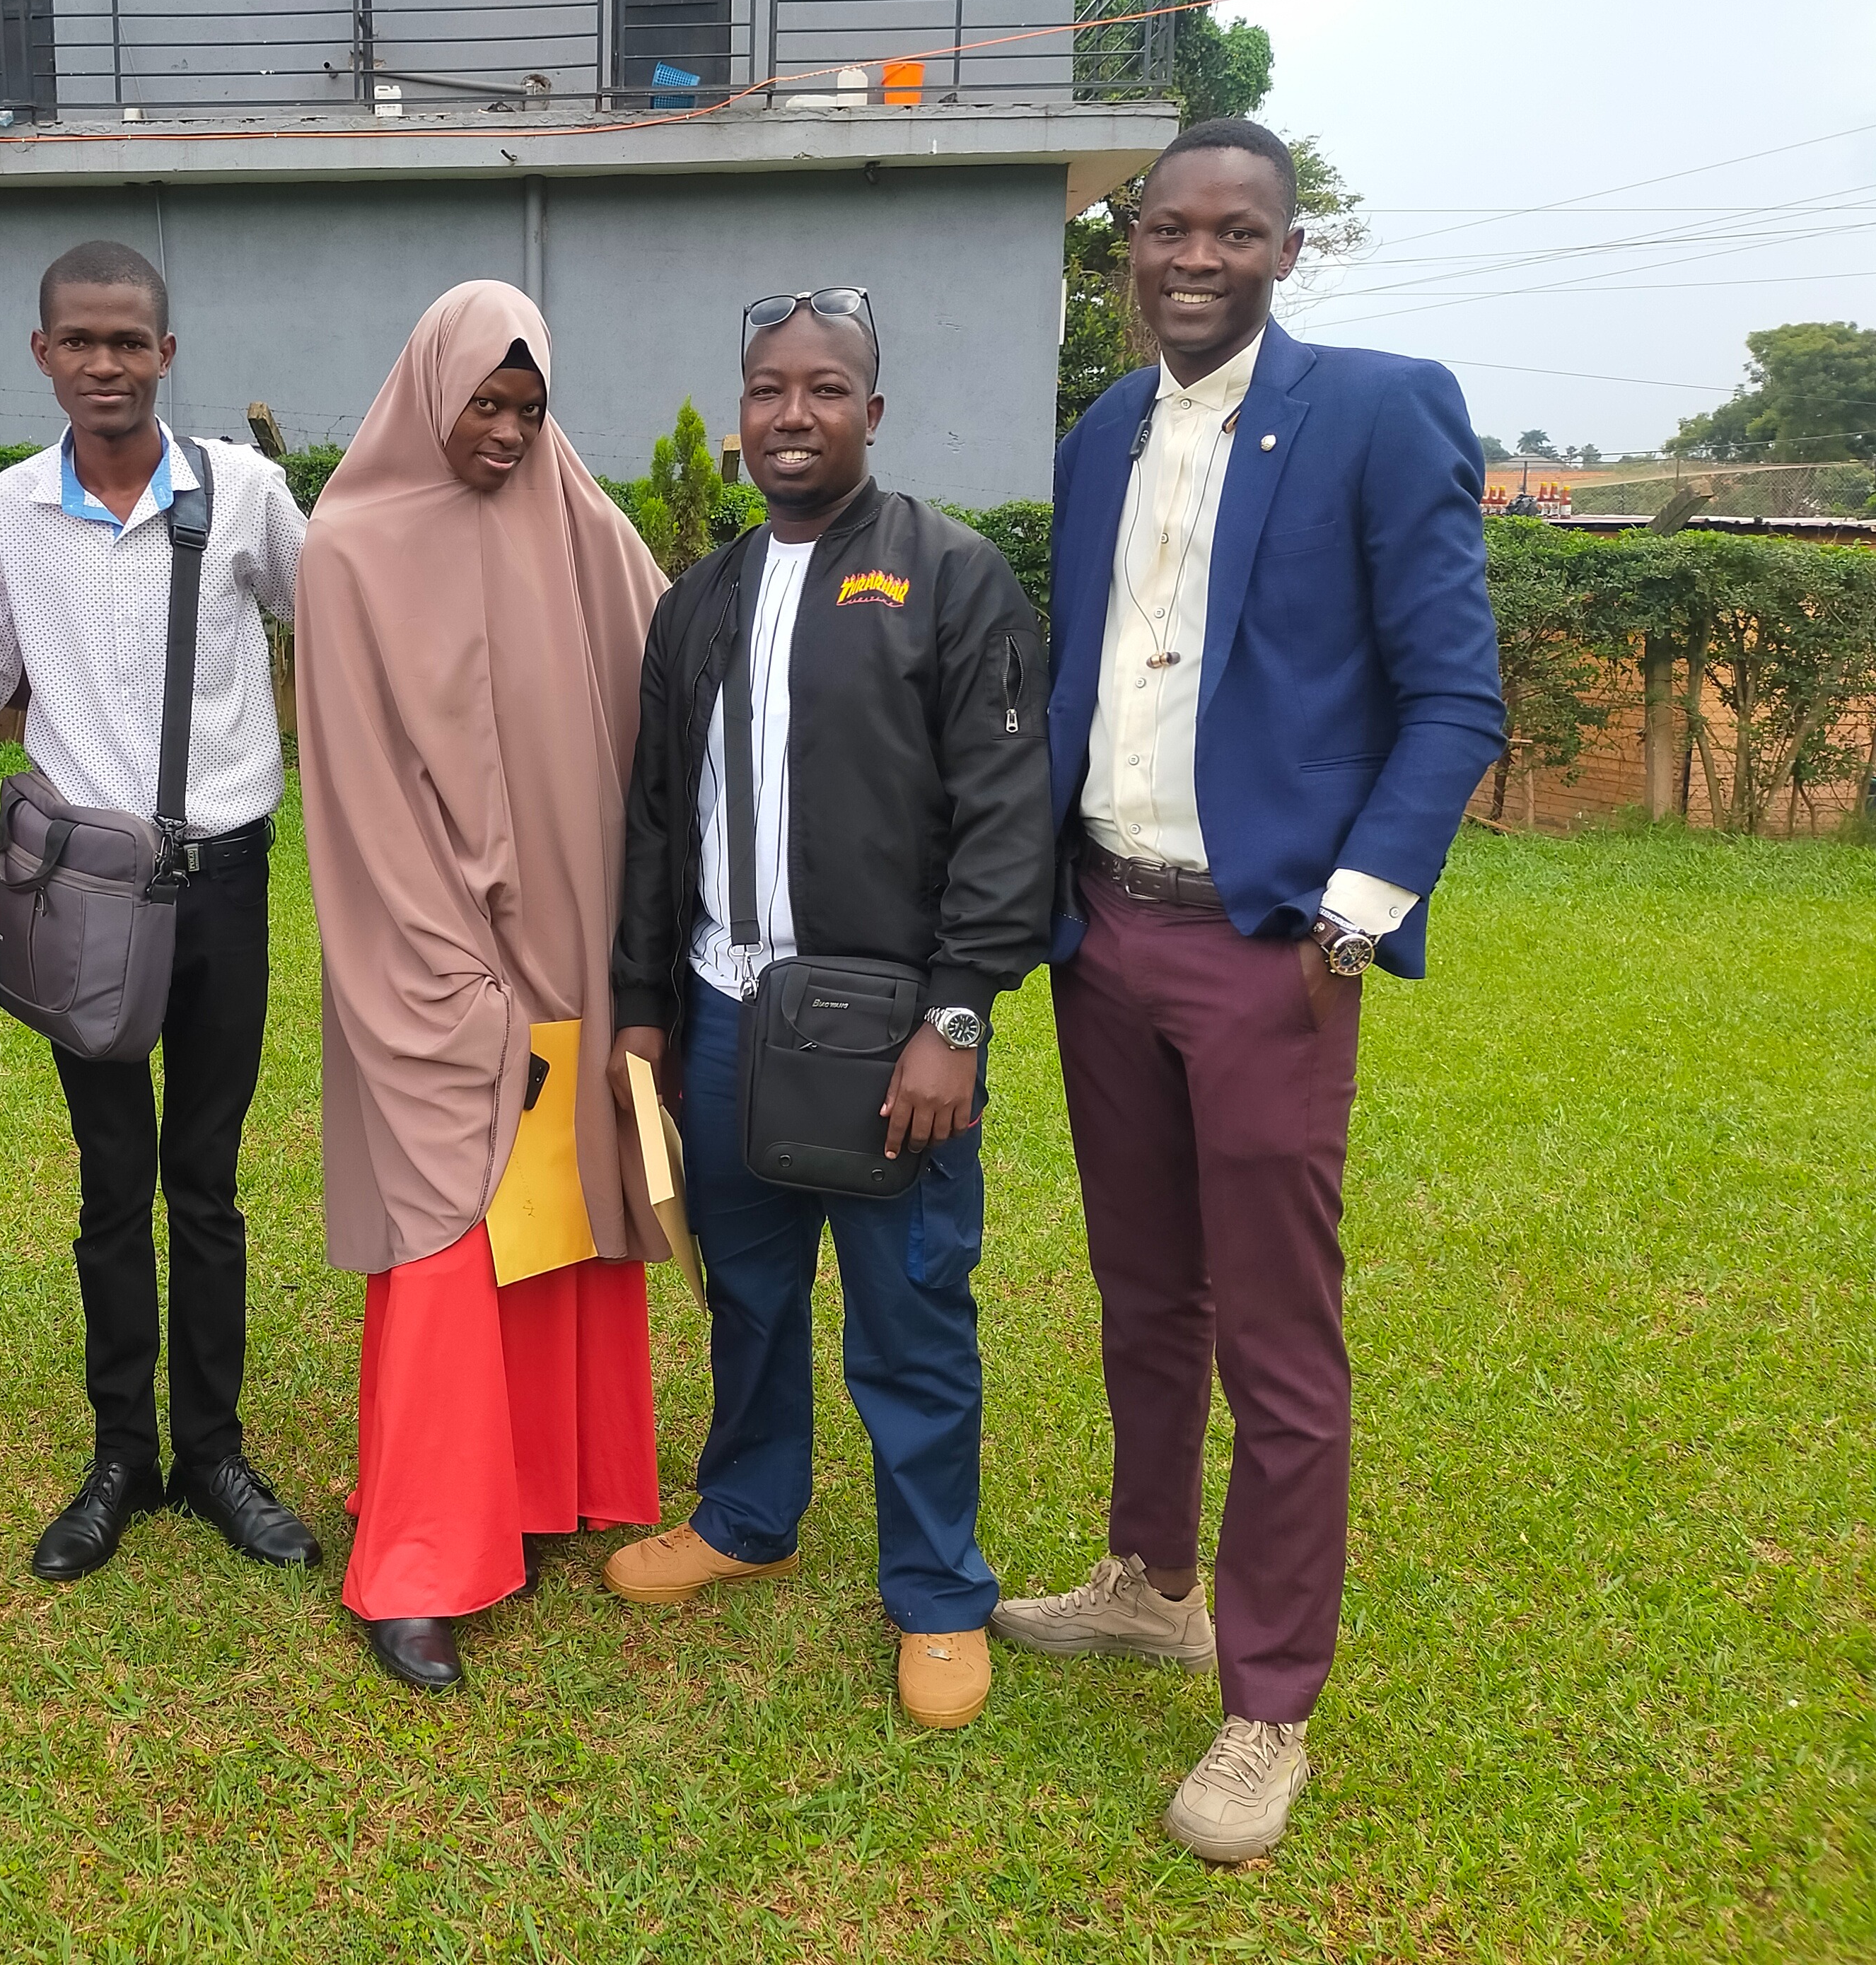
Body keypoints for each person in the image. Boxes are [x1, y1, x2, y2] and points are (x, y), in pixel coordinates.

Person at [989, 118, 1503, 1861]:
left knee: (1278, 1335)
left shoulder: (1375, 411)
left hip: (1266, 946)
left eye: (1231, 231)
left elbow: (1453, 696)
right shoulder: (1099, 435)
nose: (1191, 258)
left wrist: (1345, 923)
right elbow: (1088, 678)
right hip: (1103, 929)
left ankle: (1266, 1702)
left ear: (1288, 250)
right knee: (1143, 1290)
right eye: (1164, 229)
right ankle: (1149, 1579)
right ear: (1125, 249)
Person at [603, 287, 1051, 1732]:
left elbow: (1007, 815)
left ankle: (937, 1592)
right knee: (745, 1293)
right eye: (765, 390)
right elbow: (657, 818)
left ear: (874, 410)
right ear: (741, 413)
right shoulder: (698, 599)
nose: (790, 415)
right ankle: (747, 1515)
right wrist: (643, 1005)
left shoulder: (951, 576)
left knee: (908, 1312)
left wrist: (957, 1018)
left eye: (823, 389)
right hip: (726, 1010)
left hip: (886, 1031)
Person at [297, 279, 667, 1693]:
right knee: (447, 1225)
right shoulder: (349, 547)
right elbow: (355, 791)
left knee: (561, 1205)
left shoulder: (577, 523)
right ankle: (420, 1559)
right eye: (483, 405)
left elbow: (679, 663)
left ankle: (545, 1480)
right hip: (429, 952)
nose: (505, 433)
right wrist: (454, 976)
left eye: (528, 408)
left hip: (573, 938)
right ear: (428, 389)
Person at [0, 241, 320, 1583]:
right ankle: (122, 1453)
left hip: (224, 879)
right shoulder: (4, 511)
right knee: (111, 1183)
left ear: (167, 353)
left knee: (206, 1181)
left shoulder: (243, 492)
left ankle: (214, 1451)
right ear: (42, 352)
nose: (104, 363)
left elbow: (336, 616)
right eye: (79, 341)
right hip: (83, 899)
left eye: (128, 341)